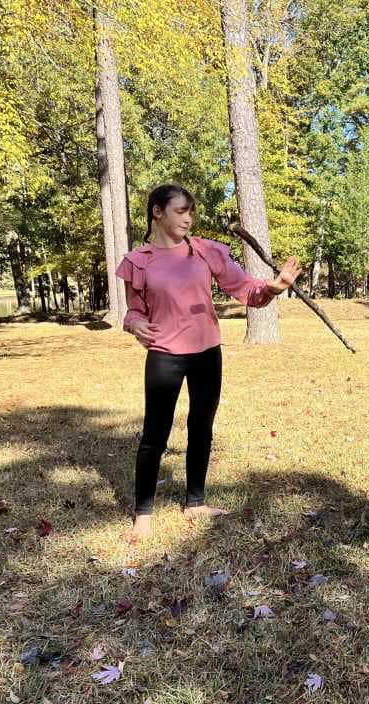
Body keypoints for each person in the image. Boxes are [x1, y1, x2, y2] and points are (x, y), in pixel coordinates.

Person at [116, 184, 301, 542]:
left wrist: (275, 287)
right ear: (157, 212)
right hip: (165, 356)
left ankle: (195, 502)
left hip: (206, 353)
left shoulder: (204, 251)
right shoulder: (139, 261)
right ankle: (143, 514)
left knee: (202, 425)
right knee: (155, 433)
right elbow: (134, 310)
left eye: (191, 212)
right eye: (180, 211)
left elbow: (246, 289)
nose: (188, 218)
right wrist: (135, 323)